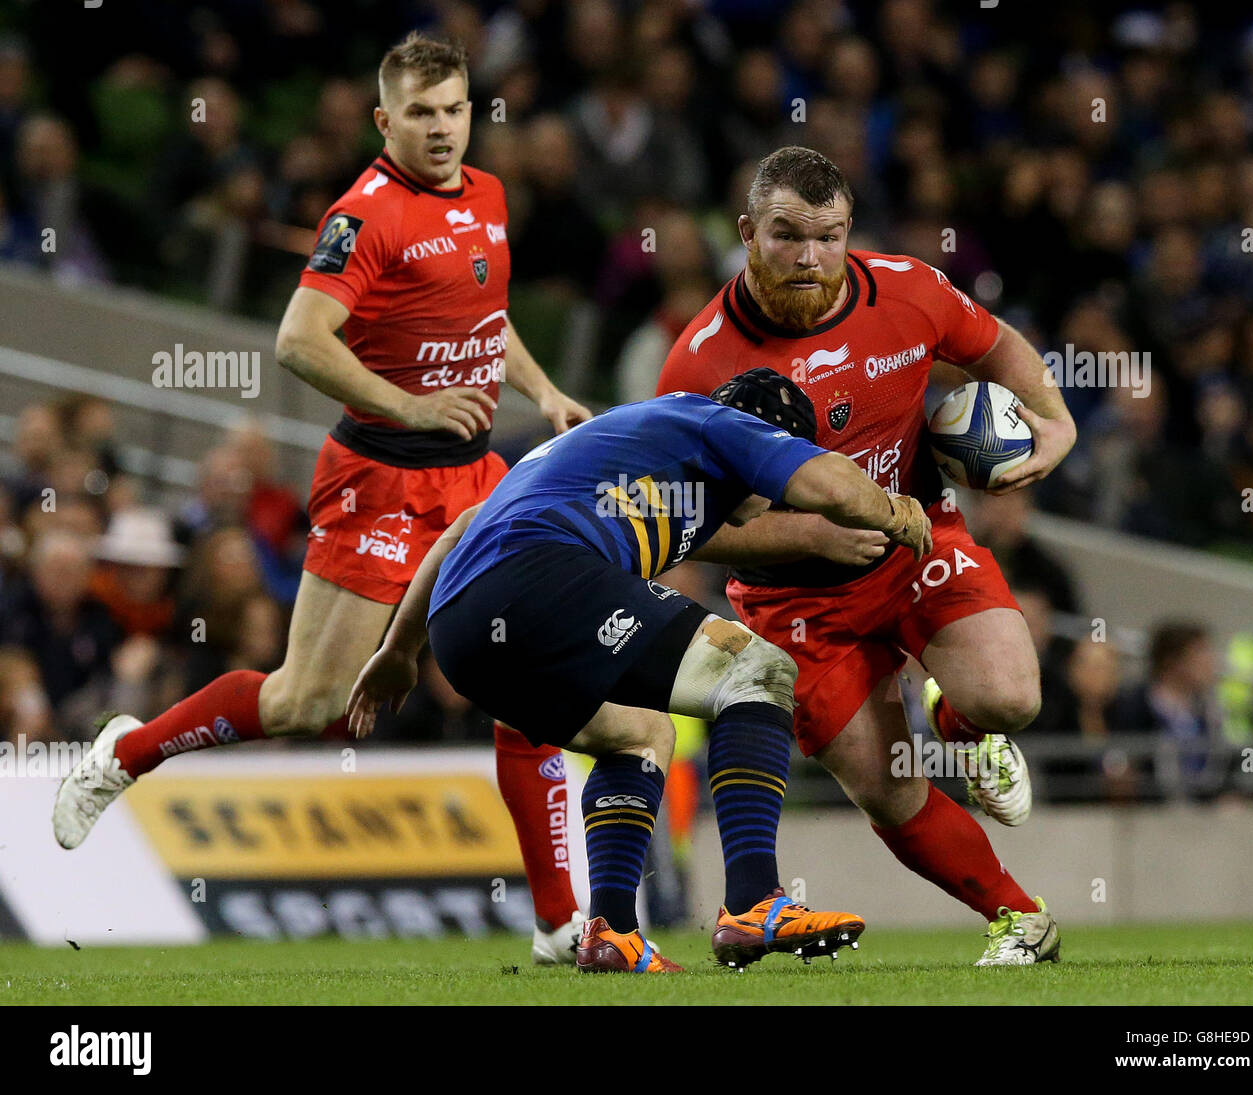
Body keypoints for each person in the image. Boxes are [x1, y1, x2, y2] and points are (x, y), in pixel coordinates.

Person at [53, 34, 595, 965]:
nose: (439, 128)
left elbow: (484, 318)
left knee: (525, 681)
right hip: (380, 480)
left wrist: (541, 392)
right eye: (419, 113)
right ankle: (126, 754)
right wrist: (413, 404)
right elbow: (299, 340)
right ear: (386, 121)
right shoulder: (364, 215)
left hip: (473, 478)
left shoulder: (492, 198)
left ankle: (558, 923)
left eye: (454, 109)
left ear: (472, 112)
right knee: (310, 700)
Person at [348, 368, 932, 972]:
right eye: (777, 482)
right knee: (758, 670)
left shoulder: (630, 452)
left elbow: (461, 531)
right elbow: (832, 486)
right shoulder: (723, 425)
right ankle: (755, 901)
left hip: (460, 630)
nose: (776, 502)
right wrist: (893, 512)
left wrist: (397, 652)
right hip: (542, 576)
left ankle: (613, 934)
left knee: (640, 735)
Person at [657, 146, 1072, 965]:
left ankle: (962, 722)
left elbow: (994, 343)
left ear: (850, 234)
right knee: (886, 788)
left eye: (829, 235)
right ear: (746, 233)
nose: (810, 257)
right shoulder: (697, 365)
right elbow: (684, 526)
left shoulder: (908, 290)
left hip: (915, 541)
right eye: (787, 236)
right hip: (793, 600)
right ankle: (1022, 919)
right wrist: (807, 534)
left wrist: (1052, 415)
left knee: (1012, 698)